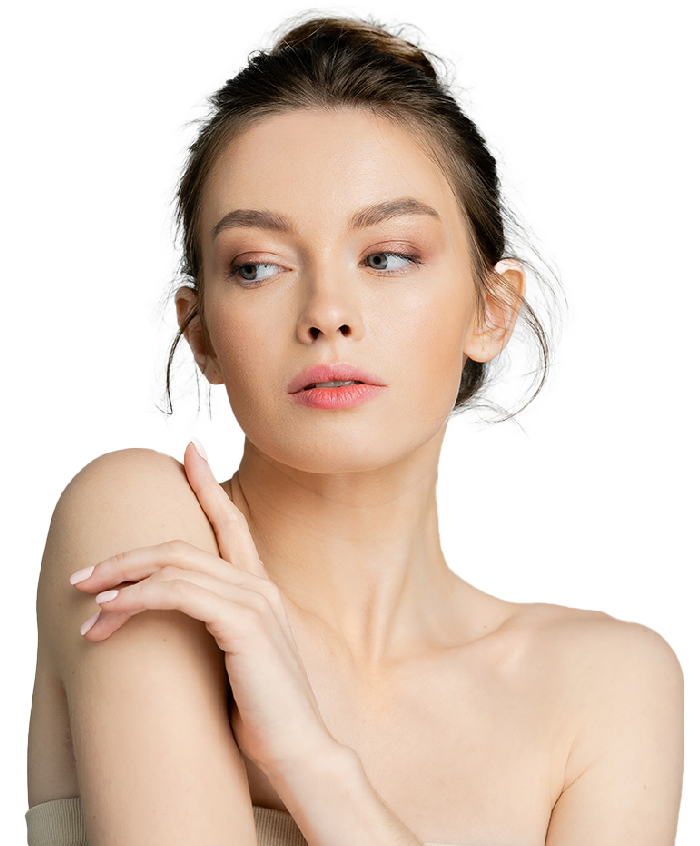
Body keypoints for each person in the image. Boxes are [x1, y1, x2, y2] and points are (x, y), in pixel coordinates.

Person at [25, 6, 683, 846]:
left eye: (387, 257)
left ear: (491, 309)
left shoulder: (609, 686)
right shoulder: (147, 528)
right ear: (202, 333)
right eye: (257, 266)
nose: (327, 312)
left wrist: (307, 757)